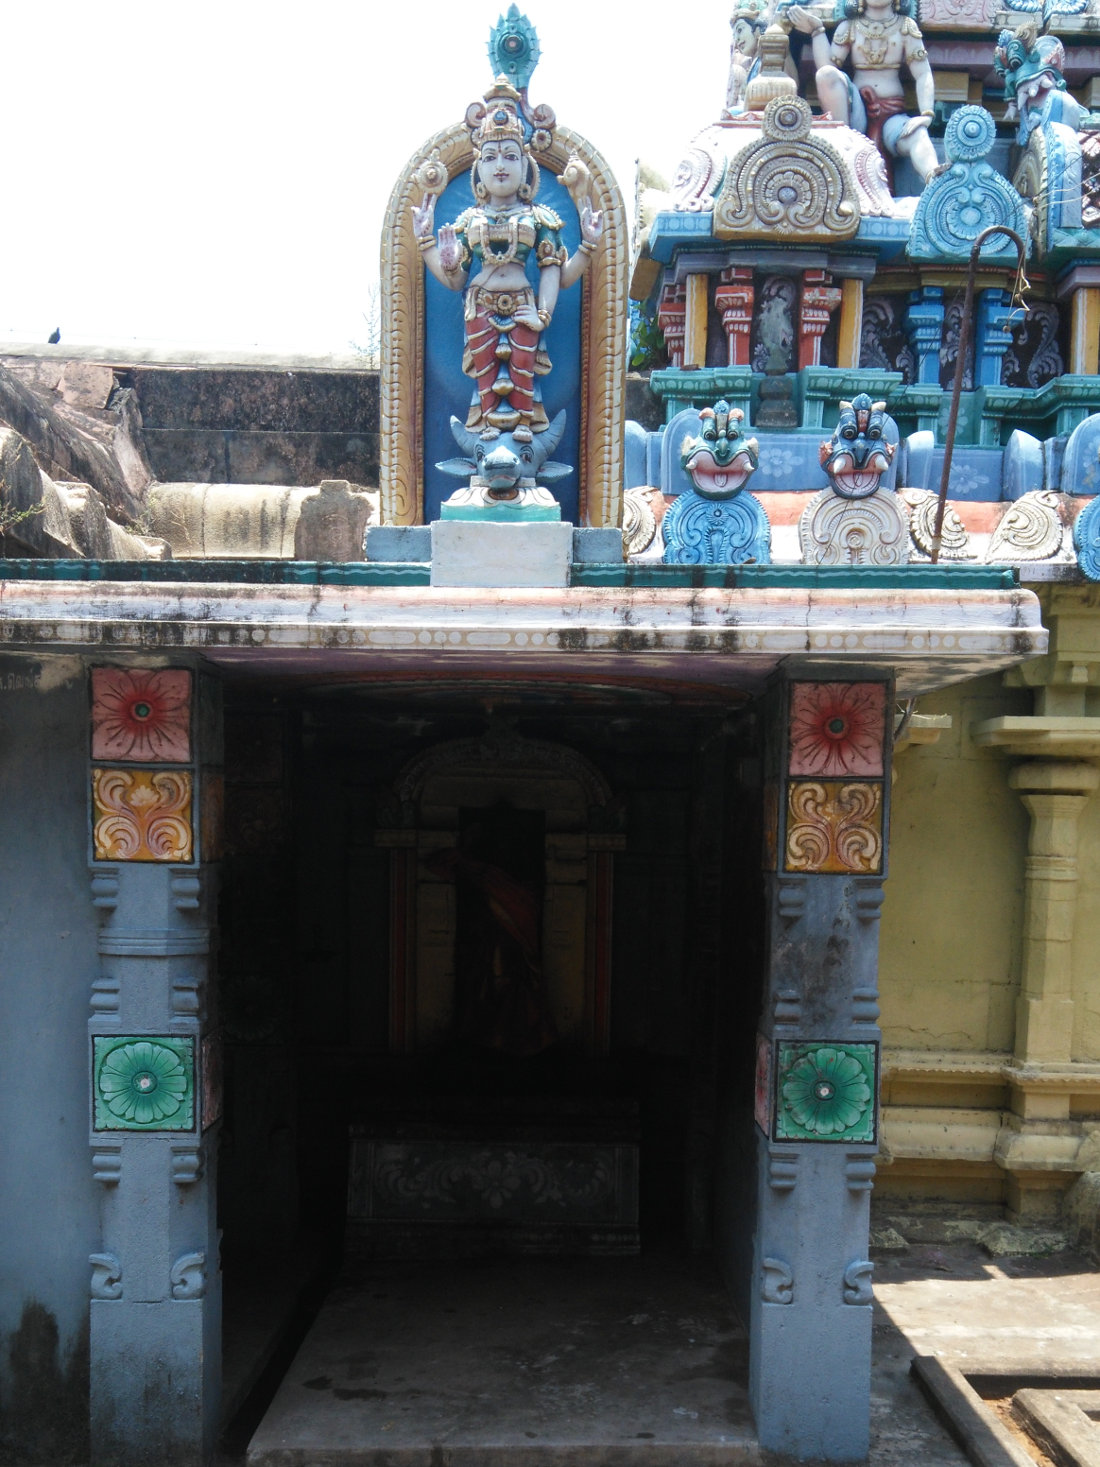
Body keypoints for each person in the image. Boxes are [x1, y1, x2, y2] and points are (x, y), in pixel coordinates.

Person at [411, 91, 602, 441]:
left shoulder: (539, 217)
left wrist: (586, 246)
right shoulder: (468, 221)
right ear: (478, 170)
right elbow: (455, 282)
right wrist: (429, 246)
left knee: (522, 378)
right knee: (486, 382)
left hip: (524, 307)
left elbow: (558, 274)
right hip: (480, 304)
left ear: (525, 168)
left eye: (511, 156)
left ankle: (523, 440)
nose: (500, 165)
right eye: (490, 157)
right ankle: (486, 441)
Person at [787, 0, 940, 186]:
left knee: (919, 134)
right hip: (857, 113)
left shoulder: (906, 26)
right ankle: (841, 146)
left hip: (892, 116)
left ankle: (936, 183)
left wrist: (926, 114)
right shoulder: (850, 26)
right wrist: (817, 30)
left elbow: (923, 73)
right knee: (826, 74)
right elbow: (828, 72)